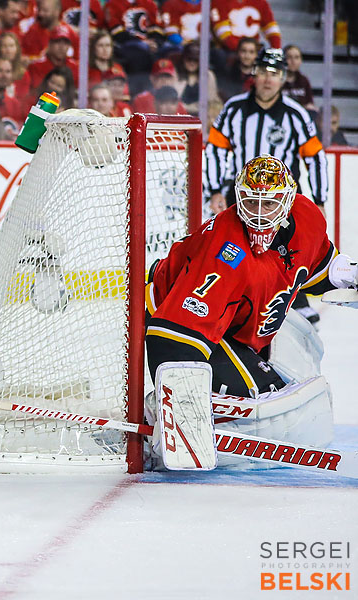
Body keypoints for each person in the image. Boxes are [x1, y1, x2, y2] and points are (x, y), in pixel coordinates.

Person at [147, 154, 356, 398]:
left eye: (268, 203)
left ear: (288, 202)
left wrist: (349, 272)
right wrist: (182, 409)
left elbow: (312, 268)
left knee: (292, 378)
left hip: (227, 326)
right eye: (250, 202)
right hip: (169, 312)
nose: (258, 214)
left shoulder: (305, 216)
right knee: (265, 393)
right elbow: (173, 340)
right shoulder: (226, 252)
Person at [205, 48, 328, 217]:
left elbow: (315, 157)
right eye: (263, 71)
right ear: (254, 74)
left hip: (284, 201)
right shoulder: (233, 109)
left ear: (283, 78)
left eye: (275, 73)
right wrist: (215, 190)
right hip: (241, 198)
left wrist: (319, 201)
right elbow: (215, 150)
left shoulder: (296, 114)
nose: (268, 79)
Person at [282, 44, 315, 112]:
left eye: (296, 57)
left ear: (301, 60)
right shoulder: (278, 80)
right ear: (283, 60)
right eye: (289, 57)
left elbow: (310, 104)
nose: (293, 61)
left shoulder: (304, 80)